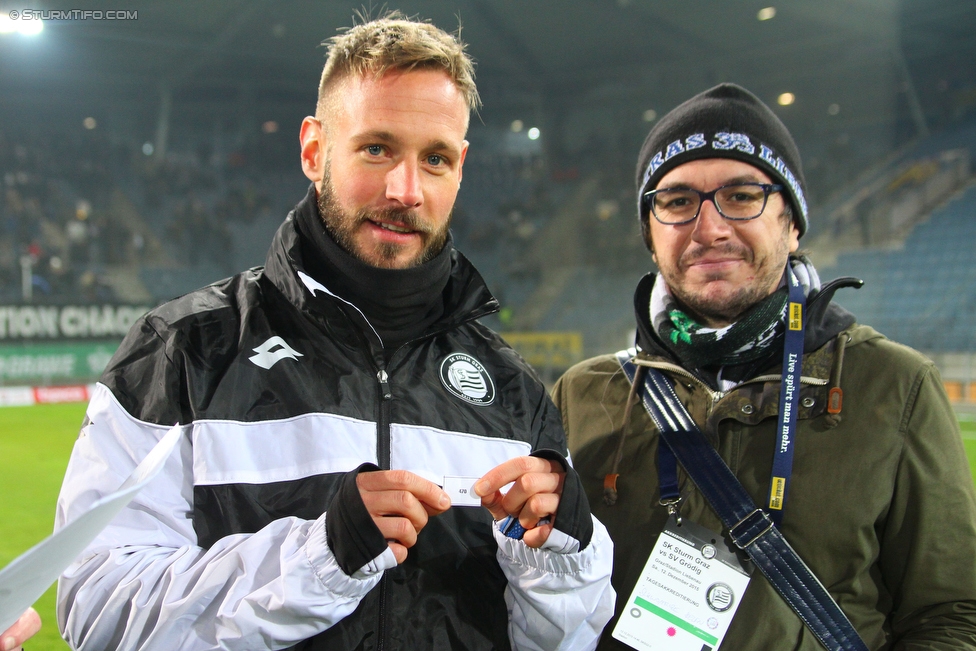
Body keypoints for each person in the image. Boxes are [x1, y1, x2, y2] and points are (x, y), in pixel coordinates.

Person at [55, 15, 613, 651]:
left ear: (460, 168)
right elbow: (96, 609)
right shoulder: (181, 353)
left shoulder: (514, 391)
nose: (405, 191)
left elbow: (565, 640)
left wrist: (564, 554)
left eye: (433, 158)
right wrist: (321, 556)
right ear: (314, 149)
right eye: (376, 148)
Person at [553, 83, 976, 649]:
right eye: (678, 202)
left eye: (742, 195)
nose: (710, 229)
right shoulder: (583, 396)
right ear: (651, 236)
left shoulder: (894, 388)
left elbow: (950, 614)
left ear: (792, 221)